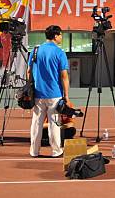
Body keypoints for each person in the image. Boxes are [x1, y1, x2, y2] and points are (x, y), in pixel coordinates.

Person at [27, 25, 70, 158]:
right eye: (61, 35)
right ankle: (56, 150)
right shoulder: (59, 52)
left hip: (38, 93)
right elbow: (64, 76)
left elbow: (29, 72)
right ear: (56, 36)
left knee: (36, 123)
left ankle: (34, 151)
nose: (61, 37)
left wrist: (30, 89)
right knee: (54, 123)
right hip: (54, 93)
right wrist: (66, 96)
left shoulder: (35, 50)